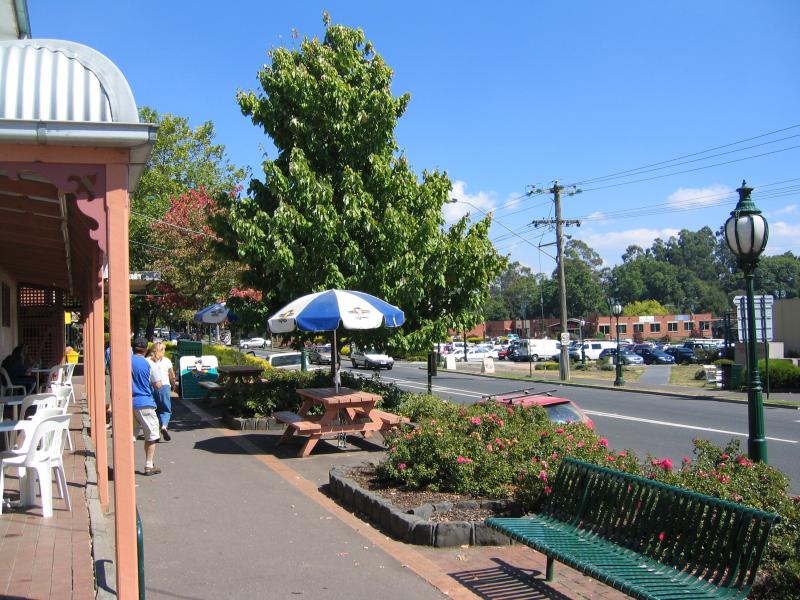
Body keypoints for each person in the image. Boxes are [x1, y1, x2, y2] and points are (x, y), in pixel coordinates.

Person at [131, 338, 161, 476]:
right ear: (145, 349)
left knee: (131, 435)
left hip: (128, 403)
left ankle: (126, 463)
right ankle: (149, 465)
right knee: (151, 434)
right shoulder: (149, 363)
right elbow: (158, 384)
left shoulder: (126, 360)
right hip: (145, 402)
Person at [145, 341, 176, 441]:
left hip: (151, 387)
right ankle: (164, 426)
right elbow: (172, 375)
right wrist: (173, 384)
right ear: (162, 351)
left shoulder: (147, 360)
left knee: (154, 410)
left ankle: (155, 432)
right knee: (166, 409)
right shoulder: (166, 361)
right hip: (164, 387)